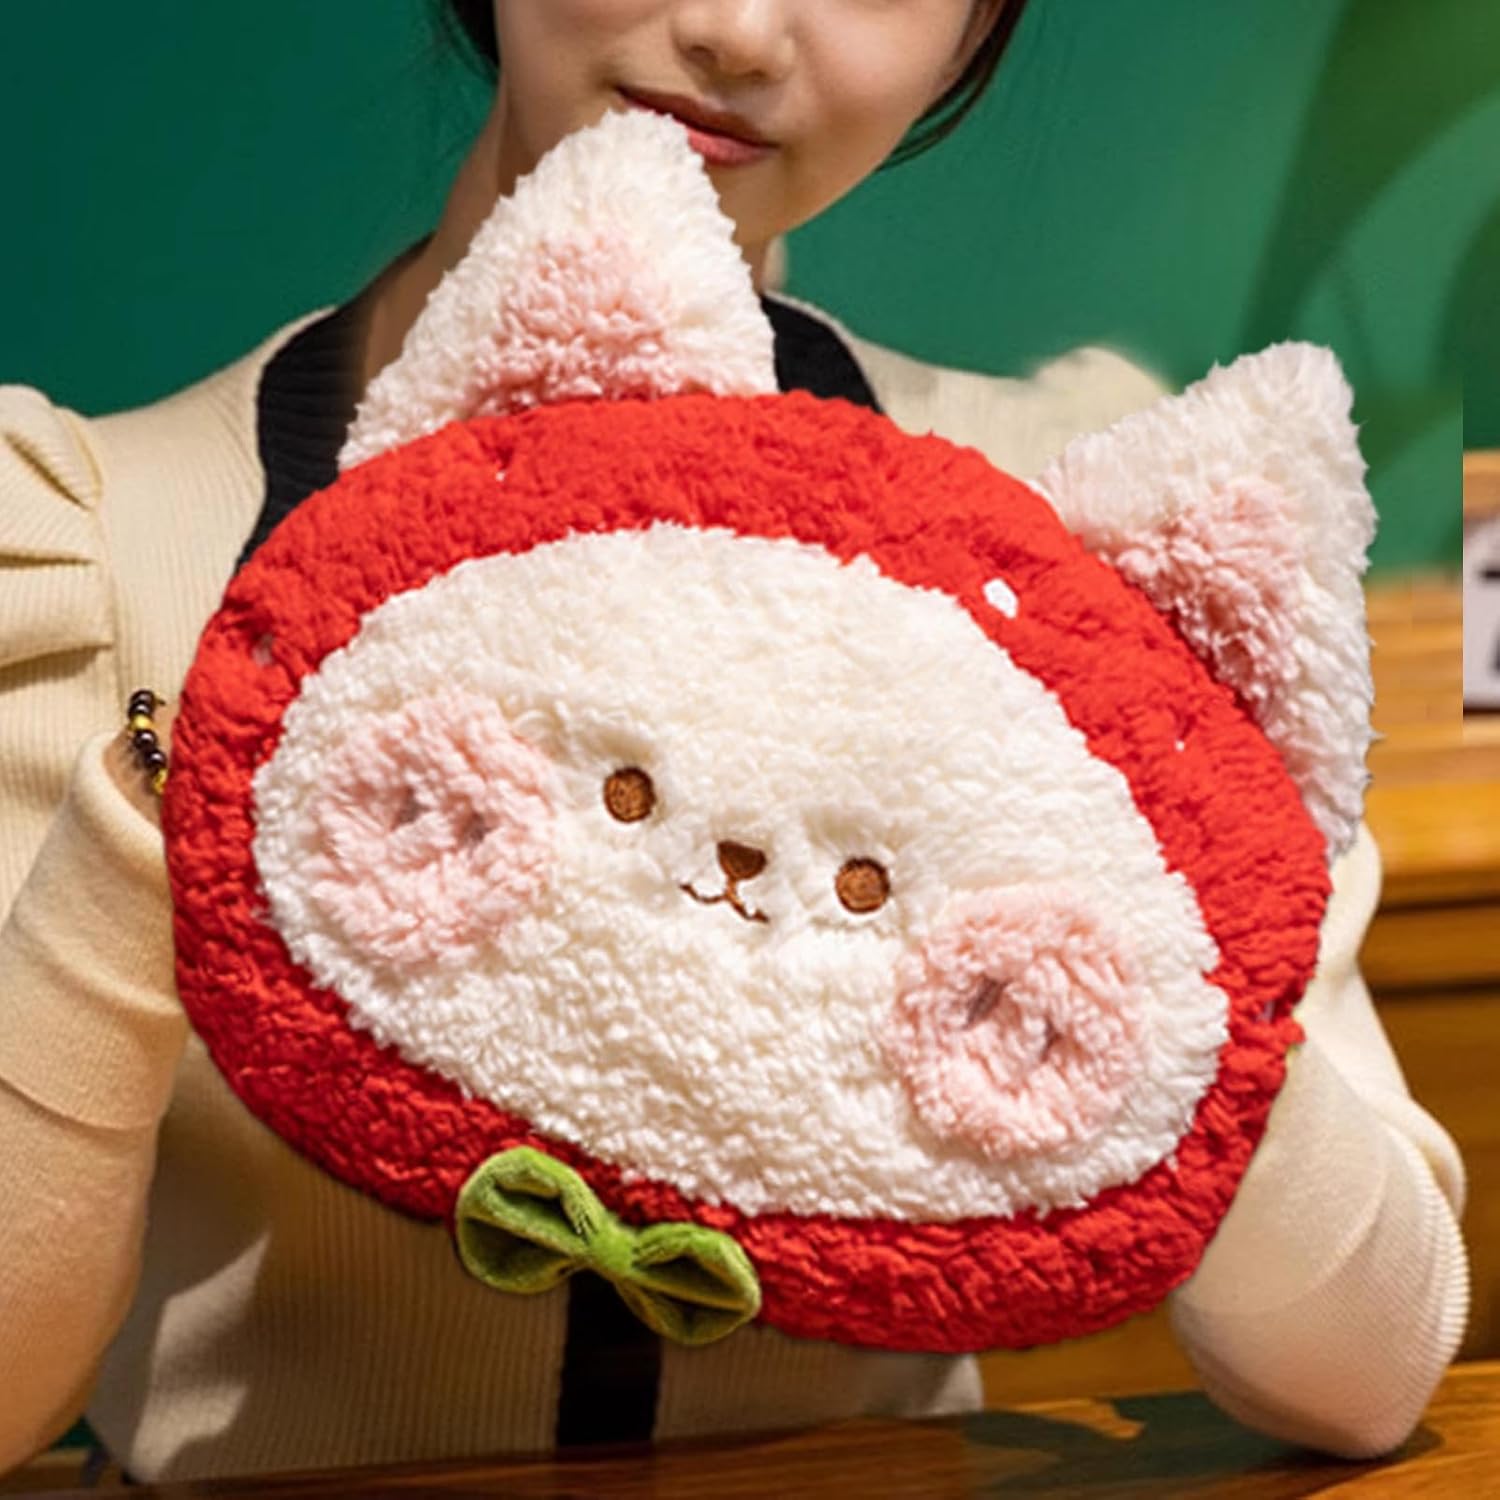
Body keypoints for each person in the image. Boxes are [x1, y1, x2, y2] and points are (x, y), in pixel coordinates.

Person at [0, 0, 1469, 1484]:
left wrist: (1170, 957)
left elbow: (1366, 1376)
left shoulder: (1062, 549)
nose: (741, 31)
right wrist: (157, 825)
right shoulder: (100, 539)